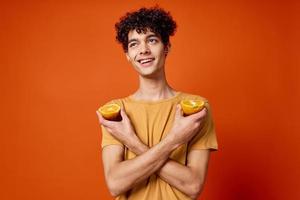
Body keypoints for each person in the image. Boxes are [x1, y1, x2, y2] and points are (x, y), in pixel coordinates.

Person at [96, 6, 218, 200]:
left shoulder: (196, 108)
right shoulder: (116, 112)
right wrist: (175, 140)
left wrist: (132, 142)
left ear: (167, 47)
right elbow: (115, 184)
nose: (144, 50)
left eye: (152, 40)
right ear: (127, 55)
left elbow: (193, 185)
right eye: (134, 44)